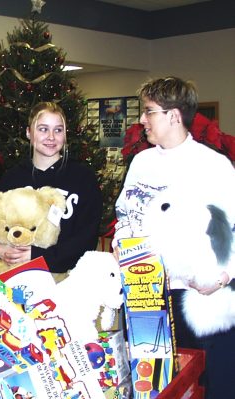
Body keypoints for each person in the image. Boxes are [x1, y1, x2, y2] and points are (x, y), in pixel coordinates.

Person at [112, 76, 235, 399]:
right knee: (153, 386)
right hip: (144, 295)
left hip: (196, 300)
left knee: (202, 386)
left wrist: (223, 277)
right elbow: (126, 214)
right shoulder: (141, 162)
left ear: (174, 116)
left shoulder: (213, 166)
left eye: (149, 112)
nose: (142, 120)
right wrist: (120, 244)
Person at [0, 102, 103, 281]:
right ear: (29, 133)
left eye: (58, 130)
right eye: (43, 129)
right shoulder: (12, 178)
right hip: (14, 277)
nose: (51, 137)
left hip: (66, 280)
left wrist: (36, 256)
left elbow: (86, 239)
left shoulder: (83, 178)